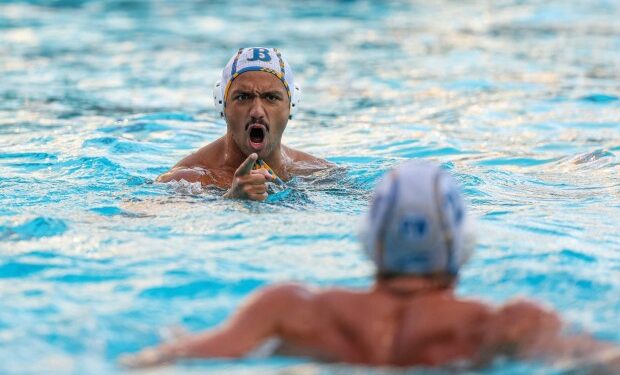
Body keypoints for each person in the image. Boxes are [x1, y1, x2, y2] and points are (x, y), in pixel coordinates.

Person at [121, 161, 619, 371]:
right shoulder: (504, 324)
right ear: (462, 244)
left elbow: (162, 362)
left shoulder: (292, 310)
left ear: (370, 239)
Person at [157, 47, 332, 201]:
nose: (257, 111)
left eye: (271, 97)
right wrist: (230, 199)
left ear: (291, 106)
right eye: (243, 97)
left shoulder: (318, 172)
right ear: (222, 105)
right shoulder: (186, 180)